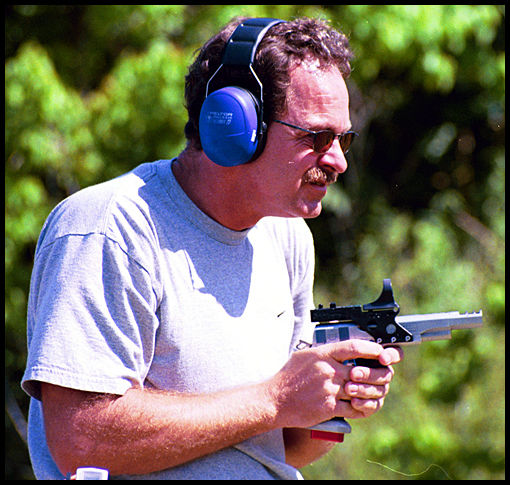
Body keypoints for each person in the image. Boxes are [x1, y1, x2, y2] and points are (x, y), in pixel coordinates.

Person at [21, 16, 403, 480]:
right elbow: (81, 440)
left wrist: (331, 401)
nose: (338, 160)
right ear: (236, 124)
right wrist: (277, 398)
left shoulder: (287, 236)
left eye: (343, 139)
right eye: (317, 137)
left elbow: (275, 447)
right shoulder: (109, 228)